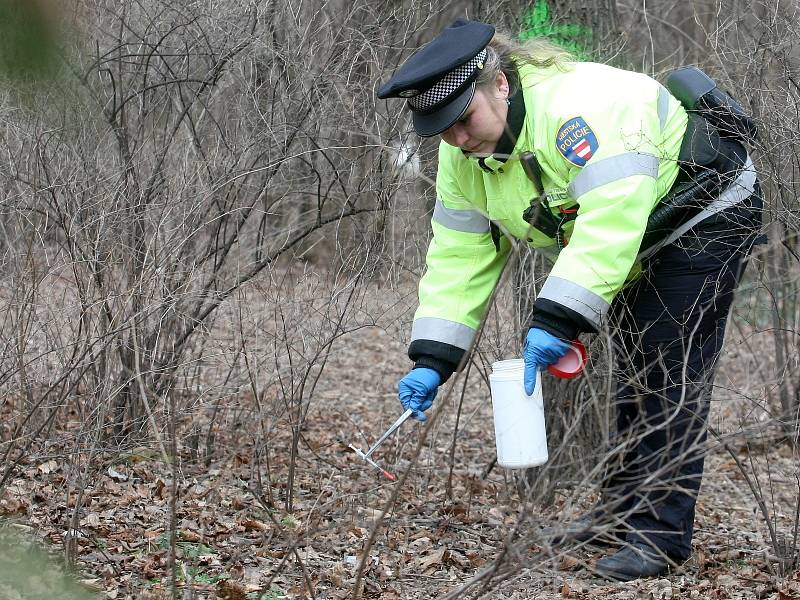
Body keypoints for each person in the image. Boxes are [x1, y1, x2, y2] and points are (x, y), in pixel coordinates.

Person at [377, 18, 762, 580]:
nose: (457, 138)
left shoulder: (585, 109)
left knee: (667, 367)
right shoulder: (462, 161)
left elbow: (611, 220)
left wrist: (555, 318)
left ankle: (660, 537)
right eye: (442, 129)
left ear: (499, 86)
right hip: (643, 232)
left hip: (706, 211)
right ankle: (619, 514)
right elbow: (459, 257)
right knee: (635, 367)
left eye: (464, 118)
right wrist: (433, 358)